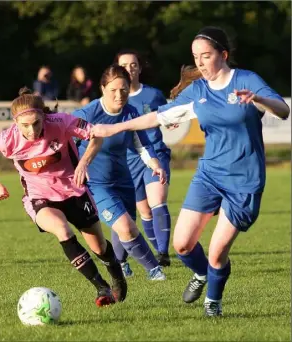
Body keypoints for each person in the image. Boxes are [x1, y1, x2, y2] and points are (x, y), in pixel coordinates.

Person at [91, 27, 290, 316]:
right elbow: (158, 117)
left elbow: (283, 110)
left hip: (245, 180)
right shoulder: (197, 91)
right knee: (182, 245)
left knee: (217, 253)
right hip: (209, 176)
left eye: (206, 56)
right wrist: (116, 127)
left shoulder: (246, 80)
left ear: (223, 55)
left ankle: (213, 303)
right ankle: (201, 275)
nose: (199, 62)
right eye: (195, 57)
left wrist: (258, 100)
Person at [0, 87, 127, 308]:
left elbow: (96, 136)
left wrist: (84, 162)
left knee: (100, 247)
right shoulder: (6, 139)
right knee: (62, 231)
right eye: (25, 126)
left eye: (36, 123)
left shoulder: (61, 122)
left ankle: (116, 274)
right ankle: (101, 287)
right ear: (15, 123)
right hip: (40, 197)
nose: (32, 130)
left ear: (44, 116)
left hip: (75, 192)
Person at [72, 64, 167, 281]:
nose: (119, 95)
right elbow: (67, 142)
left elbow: (142, 144)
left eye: (124, 89)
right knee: (125, 226)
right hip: (96, 184)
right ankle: (155, 270)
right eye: (113, 90)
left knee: (123, 229)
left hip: (124, 180)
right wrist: (79, 166)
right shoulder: (87, 113)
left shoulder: (130, 112)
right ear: (102, 88)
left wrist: (155, 165)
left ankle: (121, 265)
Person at [114, 49, 172, 270]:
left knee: (157, 200)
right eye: (124, 65)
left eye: (133, 65)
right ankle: (146, 254)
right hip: (129, 159)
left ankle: (163, 253)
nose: (129, 69)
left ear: (139, 68)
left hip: (155, 153)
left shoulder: (153, 95)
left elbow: (165, 115)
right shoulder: (113, 98)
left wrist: (168, 121)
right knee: (143, 211)